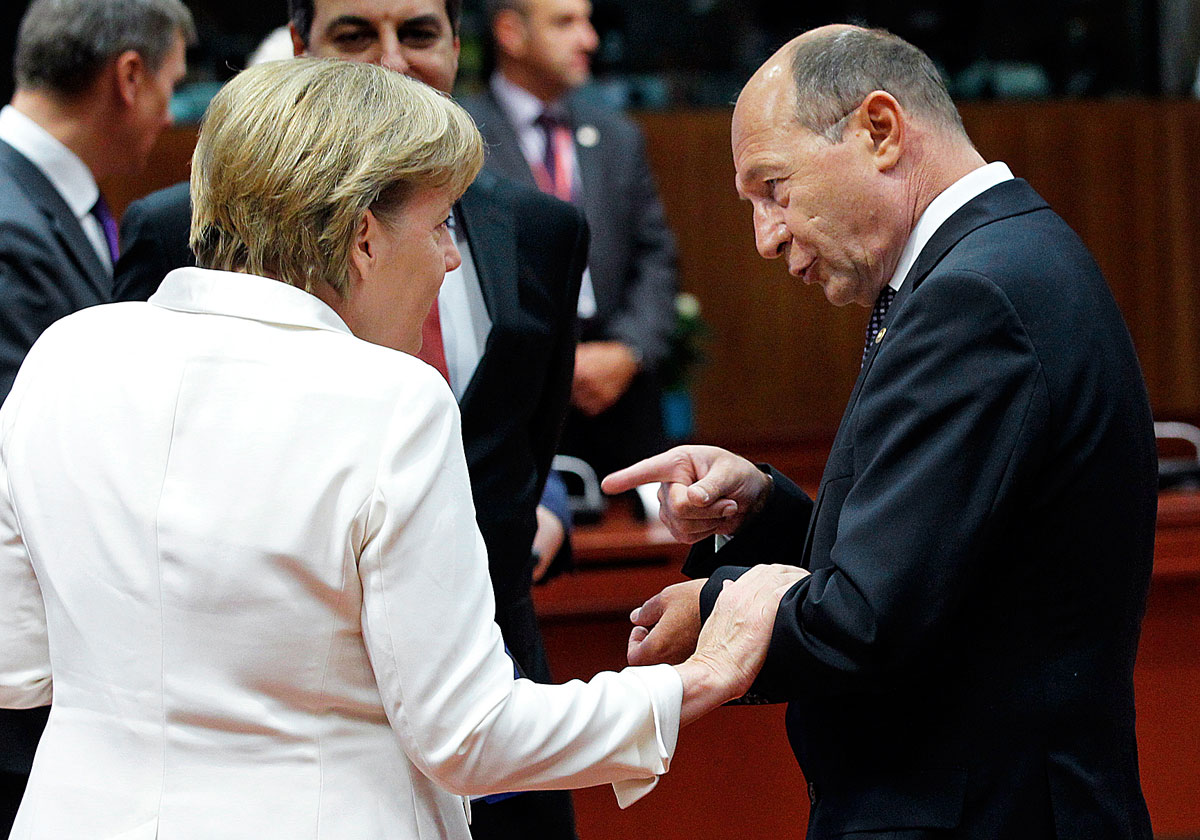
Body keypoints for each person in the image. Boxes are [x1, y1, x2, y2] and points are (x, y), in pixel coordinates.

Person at [0, 57, 803, 839]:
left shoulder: (64, 356)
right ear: (361, 237)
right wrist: (700, 677)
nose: (454, 257)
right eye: (441, 223)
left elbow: (17, 665)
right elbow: (469, 732)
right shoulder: (387, 398)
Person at [604, 25, 1158, 840]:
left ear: (880, 130)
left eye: (775, 188)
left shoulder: (977, 294)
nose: (766, 237)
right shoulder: (999, 259)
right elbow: (938, 564)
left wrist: (712, 607)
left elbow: (869, 623)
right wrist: (760, 509)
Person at [113, 2, 587, 832]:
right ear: (300, 49)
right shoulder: (178, 226)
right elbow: (141, 453)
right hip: (268, 721)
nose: (394, 64)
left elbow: (528, 442)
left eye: (419, 33)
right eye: (356, 35)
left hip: (498, 680)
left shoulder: (545, 229)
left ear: (457, 45)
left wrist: (543, 511)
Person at [0, 0, 193, 828]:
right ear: (128, 76)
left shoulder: (44, 200)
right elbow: (51, 445)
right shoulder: (12, 221)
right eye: (172, 89)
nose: (167, 117)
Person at [464, 0, 678, 479]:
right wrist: (552, 364)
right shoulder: (461, 136)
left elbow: (656, 256)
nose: (590, 39)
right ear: (510, 33)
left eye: (587, 21)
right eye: (565, 23)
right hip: (511, 397)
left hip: (618, 392)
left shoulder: (617, 135)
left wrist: (630, 350)